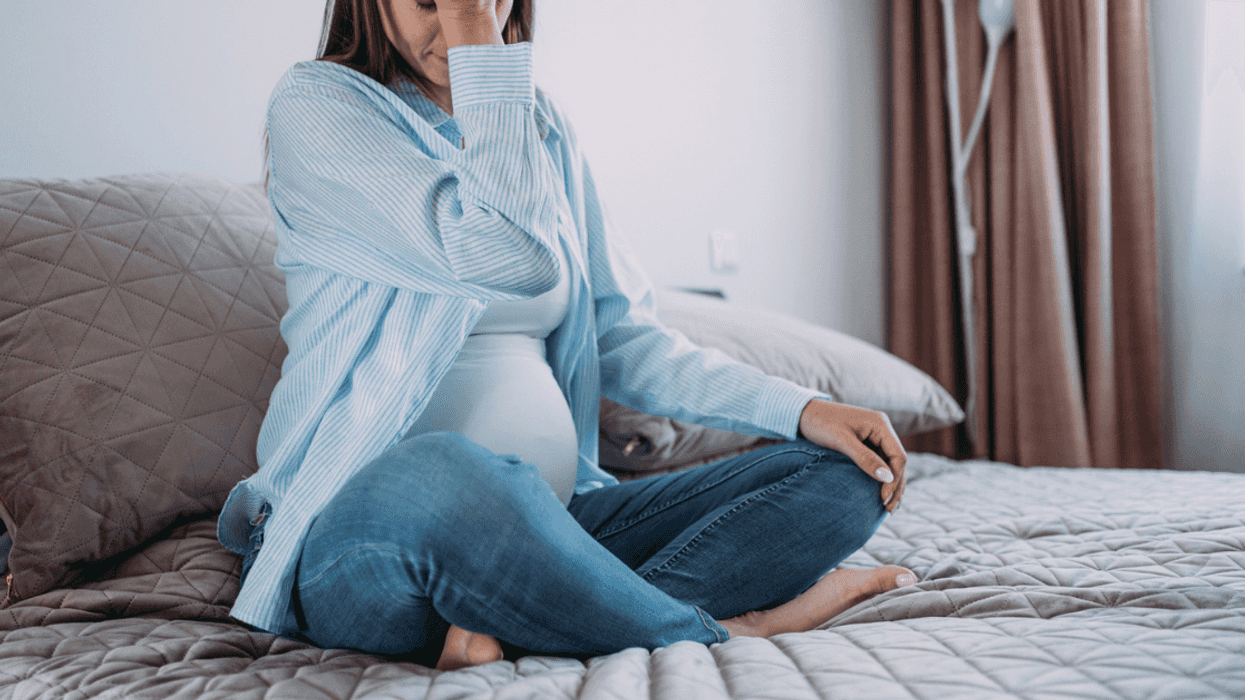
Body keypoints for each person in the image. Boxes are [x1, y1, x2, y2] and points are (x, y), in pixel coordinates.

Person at [218, 0, 916, 671]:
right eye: (428, 0)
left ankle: (533, 619)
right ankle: (714, 629)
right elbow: (507, 253)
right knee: (452, 471)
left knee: (847, 471)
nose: (455, 19)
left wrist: (802, 410)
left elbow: (622, 339)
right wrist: (476, 37)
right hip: (369, 538)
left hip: (562, 524)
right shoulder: (320, 105)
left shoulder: (540, 129)